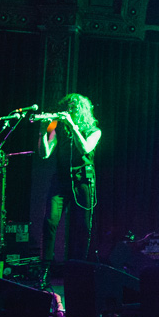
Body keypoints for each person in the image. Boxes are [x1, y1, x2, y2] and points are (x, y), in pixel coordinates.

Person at [38, 93, 102, 289]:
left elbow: (84, 149)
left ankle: (79, 273)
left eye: (71, 109)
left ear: (80, 111)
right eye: (65, 110)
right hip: (61, 180)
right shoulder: (59, 129)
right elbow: (45, 154)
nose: (67, 113)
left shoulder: (94, 130)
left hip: (83, 181)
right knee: (50, 221)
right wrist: (43, 130)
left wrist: (72, 126)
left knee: (82, 227)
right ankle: (45, 273)